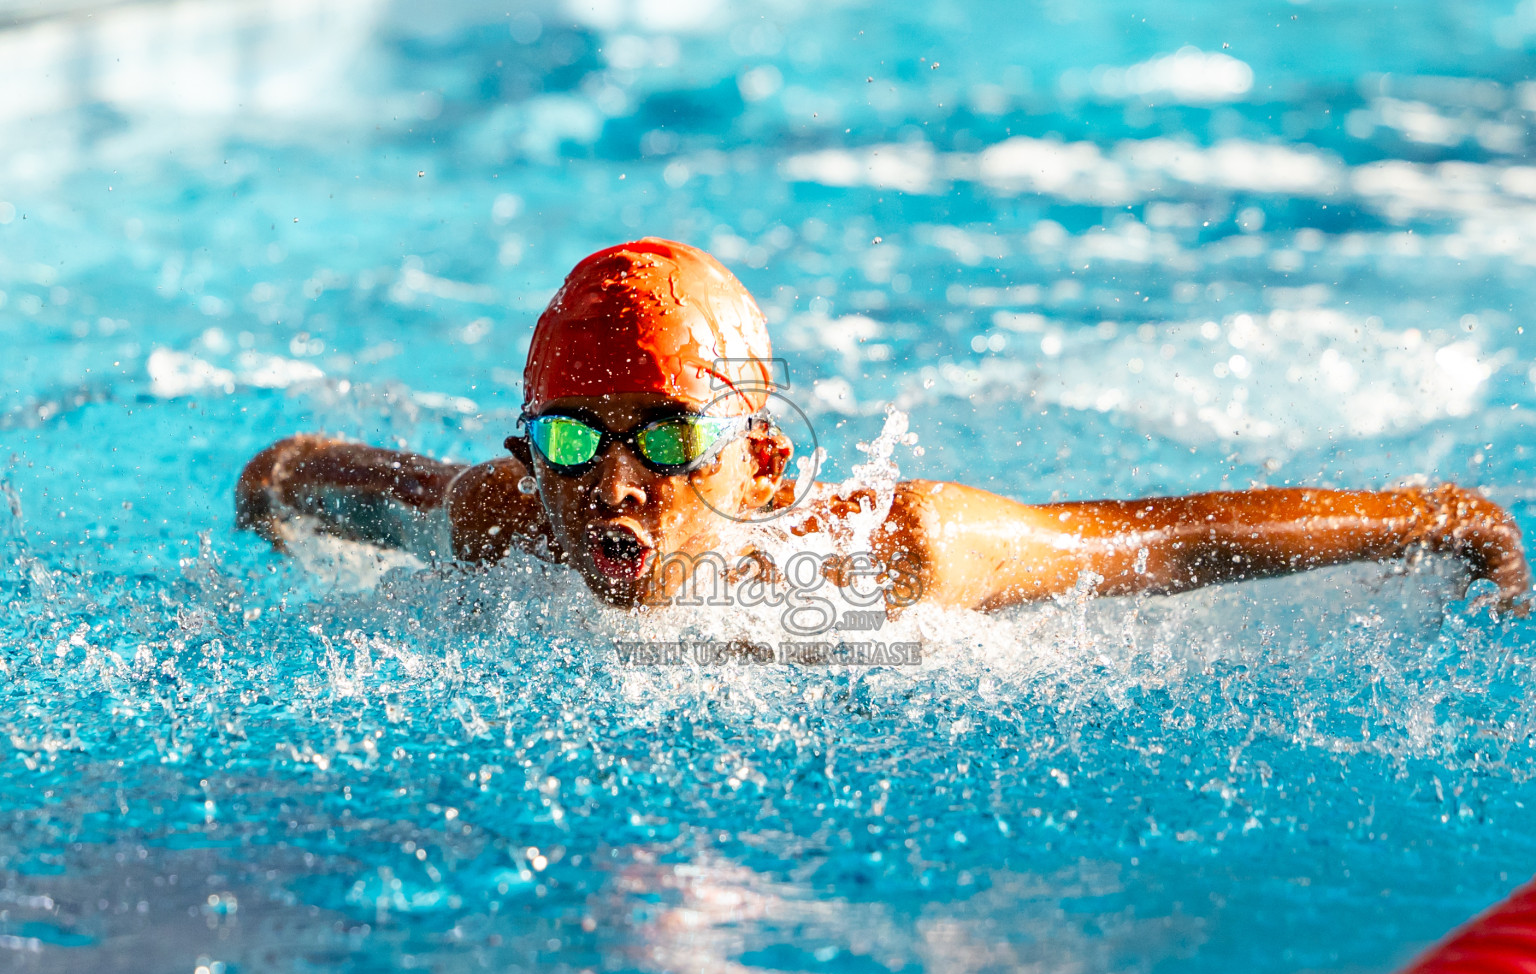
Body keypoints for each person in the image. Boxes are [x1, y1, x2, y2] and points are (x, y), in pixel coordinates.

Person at [236, 237, 1529, 617]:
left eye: (670, 438)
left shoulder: (898, 555)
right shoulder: (506, 520)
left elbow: (1166, 540)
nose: (612, 483)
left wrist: (1448, 518)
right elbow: (290, 474)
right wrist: (276, 531)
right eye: (574, 438)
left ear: (765, 457)